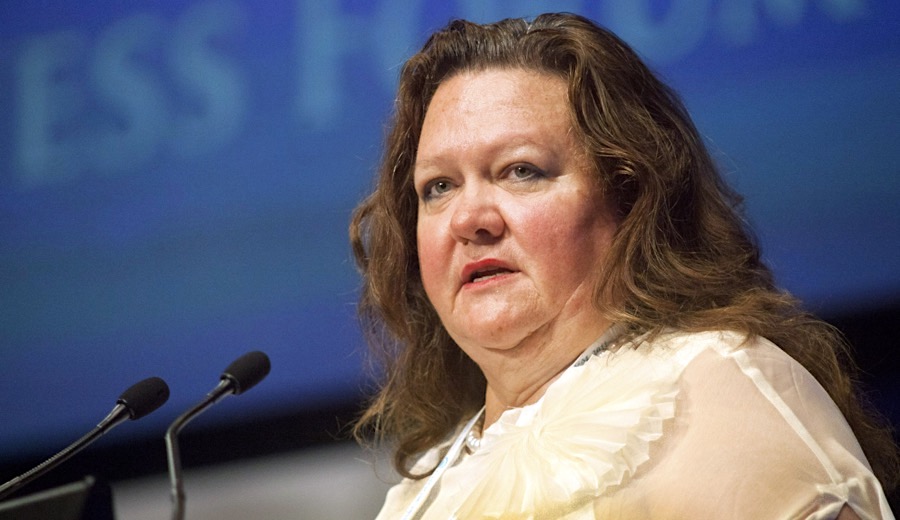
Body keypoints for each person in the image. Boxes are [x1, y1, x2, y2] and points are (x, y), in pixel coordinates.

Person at [349, 12, 898, 519]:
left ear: (630, 197)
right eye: (438, 187)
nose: (470, 218)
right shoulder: (419, 497)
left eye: (521, 171)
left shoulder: (720, 391)